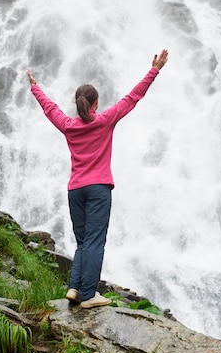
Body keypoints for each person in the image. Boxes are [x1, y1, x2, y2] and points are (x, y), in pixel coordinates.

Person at [27, 48, 168, 309]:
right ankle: (90, 294)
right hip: (98, 189)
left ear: (77, 102)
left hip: (75, 190)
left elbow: (50, 109)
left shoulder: (68, 126)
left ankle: (75, 289)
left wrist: (36, 88)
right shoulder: (104, 121)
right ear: (96, 103)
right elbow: (133, 97)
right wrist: (154, 70)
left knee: (83, 242)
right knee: (94, 241)